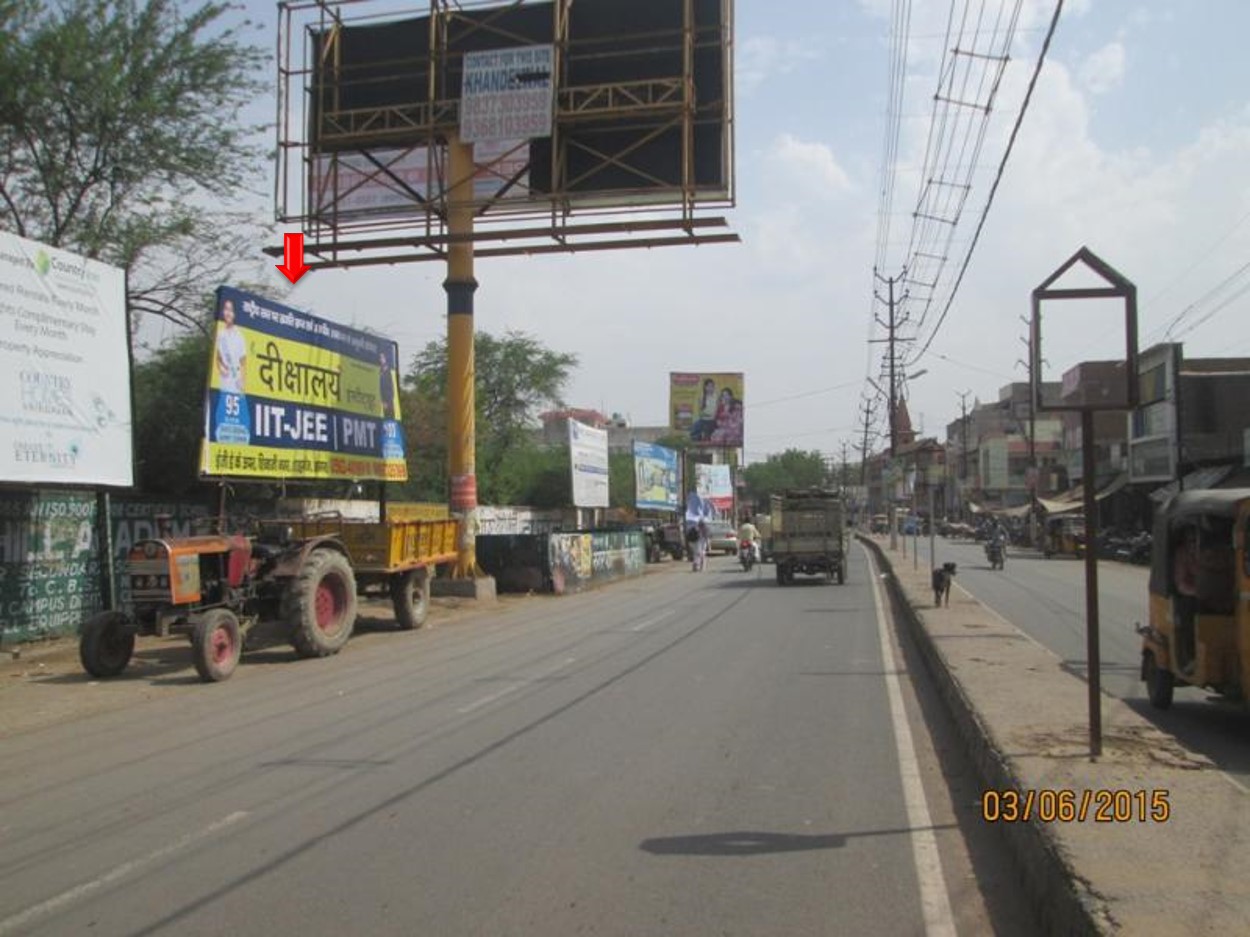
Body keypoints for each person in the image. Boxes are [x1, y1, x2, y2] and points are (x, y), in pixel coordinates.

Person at [215, 299, 246, 394]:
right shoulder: (220, 334)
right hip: (224, 381)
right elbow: (218, 357)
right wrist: (221, 368)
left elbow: (243, 362)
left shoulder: (239, 336)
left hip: (236, 382)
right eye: (226, 309)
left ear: (234, 314)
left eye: (231, 310)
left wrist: (242, 379)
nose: (228, 313)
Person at [378, 349, 397, 419]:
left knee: (390, 415)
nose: (381, 359)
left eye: (382, 357)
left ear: (385, 358)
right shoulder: (380, 370)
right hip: (383, 397)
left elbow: (390, 385)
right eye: (380, 358)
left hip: (388, 397)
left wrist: (388, 400)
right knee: (385, 415)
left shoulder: (388, 371)